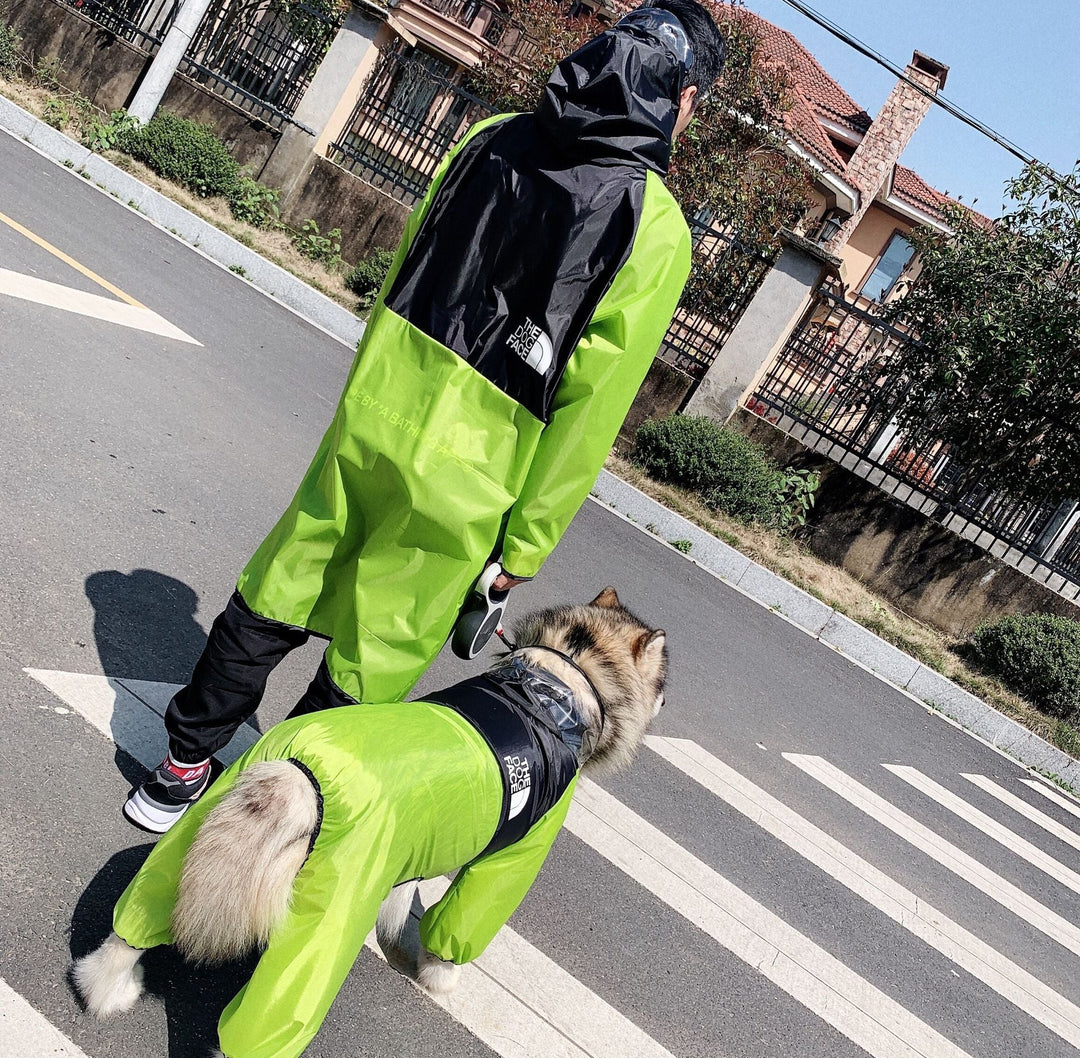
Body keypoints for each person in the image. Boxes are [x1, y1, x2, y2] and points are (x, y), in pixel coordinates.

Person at [123, 0, 727, 833]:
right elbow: (590, 411)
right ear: (684, 98)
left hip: (379, 408)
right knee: (376, 653)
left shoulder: (494, 136)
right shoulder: (652, 226)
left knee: (282, 583)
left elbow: (410, 262)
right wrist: (524, 545)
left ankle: (178, 766)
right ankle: (267, 813)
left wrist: (369, 391)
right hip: (477, 470)